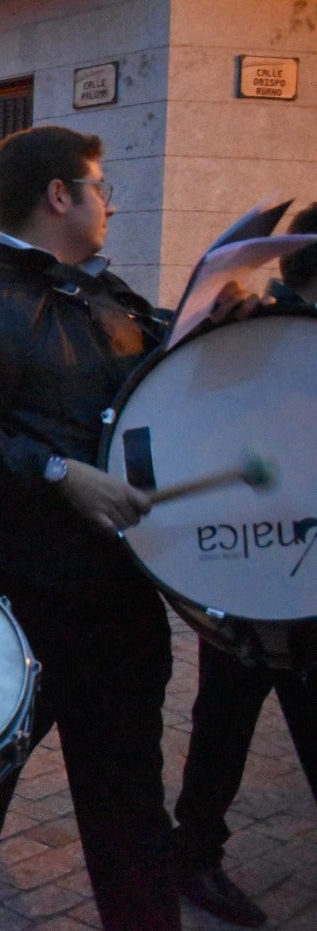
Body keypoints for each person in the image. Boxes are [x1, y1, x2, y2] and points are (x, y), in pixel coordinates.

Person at [0, 124, 260, 931]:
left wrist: (221, 320)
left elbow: (160, 382)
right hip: (13, 609)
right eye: (100, 186)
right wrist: (59, 476)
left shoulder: (108, 298)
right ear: (60, 196)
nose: (110, 202)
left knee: (130, 822)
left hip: (115, 608)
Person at [169, 200, 317, 927]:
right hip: (250, 571)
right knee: (223, 725)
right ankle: (194, 855)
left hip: (273, 572)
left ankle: (194, 853)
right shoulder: (251, 332)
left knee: (224, 726)